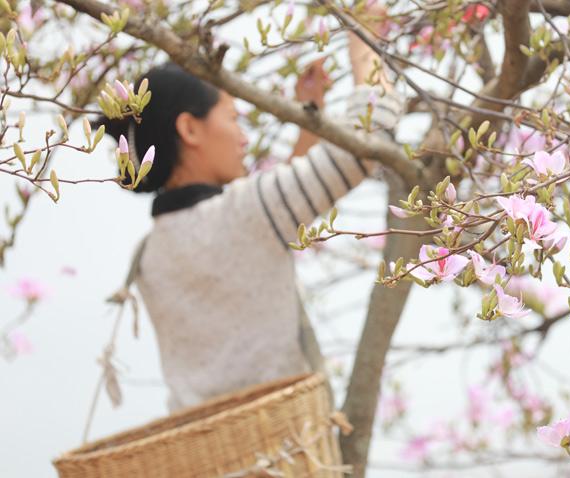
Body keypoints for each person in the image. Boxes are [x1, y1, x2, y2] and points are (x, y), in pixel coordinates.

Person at [98, 24, 404, 412]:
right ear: (190, 129)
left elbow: (261, 227)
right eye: (231, 118)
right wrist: (364, 39)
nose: (243, 137)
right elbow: (367, 143)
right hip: (283, 452)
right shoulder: (246, 213)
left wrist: (311, 114)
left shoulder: (151, 252)